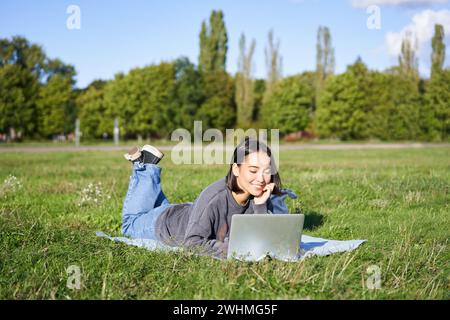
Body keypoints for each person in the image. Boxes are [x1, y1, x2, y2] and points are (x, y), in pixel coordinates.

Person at [121, 137, 284, 258]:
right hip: (163, 225)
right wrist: (232, 249)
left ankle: (146, 164)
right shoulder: (215, 197)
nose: (262, 178)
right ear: (236, 169)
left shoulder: (260, 194)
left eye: (267, 171)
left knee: (158, 207)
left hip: (187, 213)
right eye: (254, 171)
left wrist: (261, 205)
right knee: (129, 225)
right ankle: (144, 167)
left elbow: (261, 238)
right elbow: (192, 243)